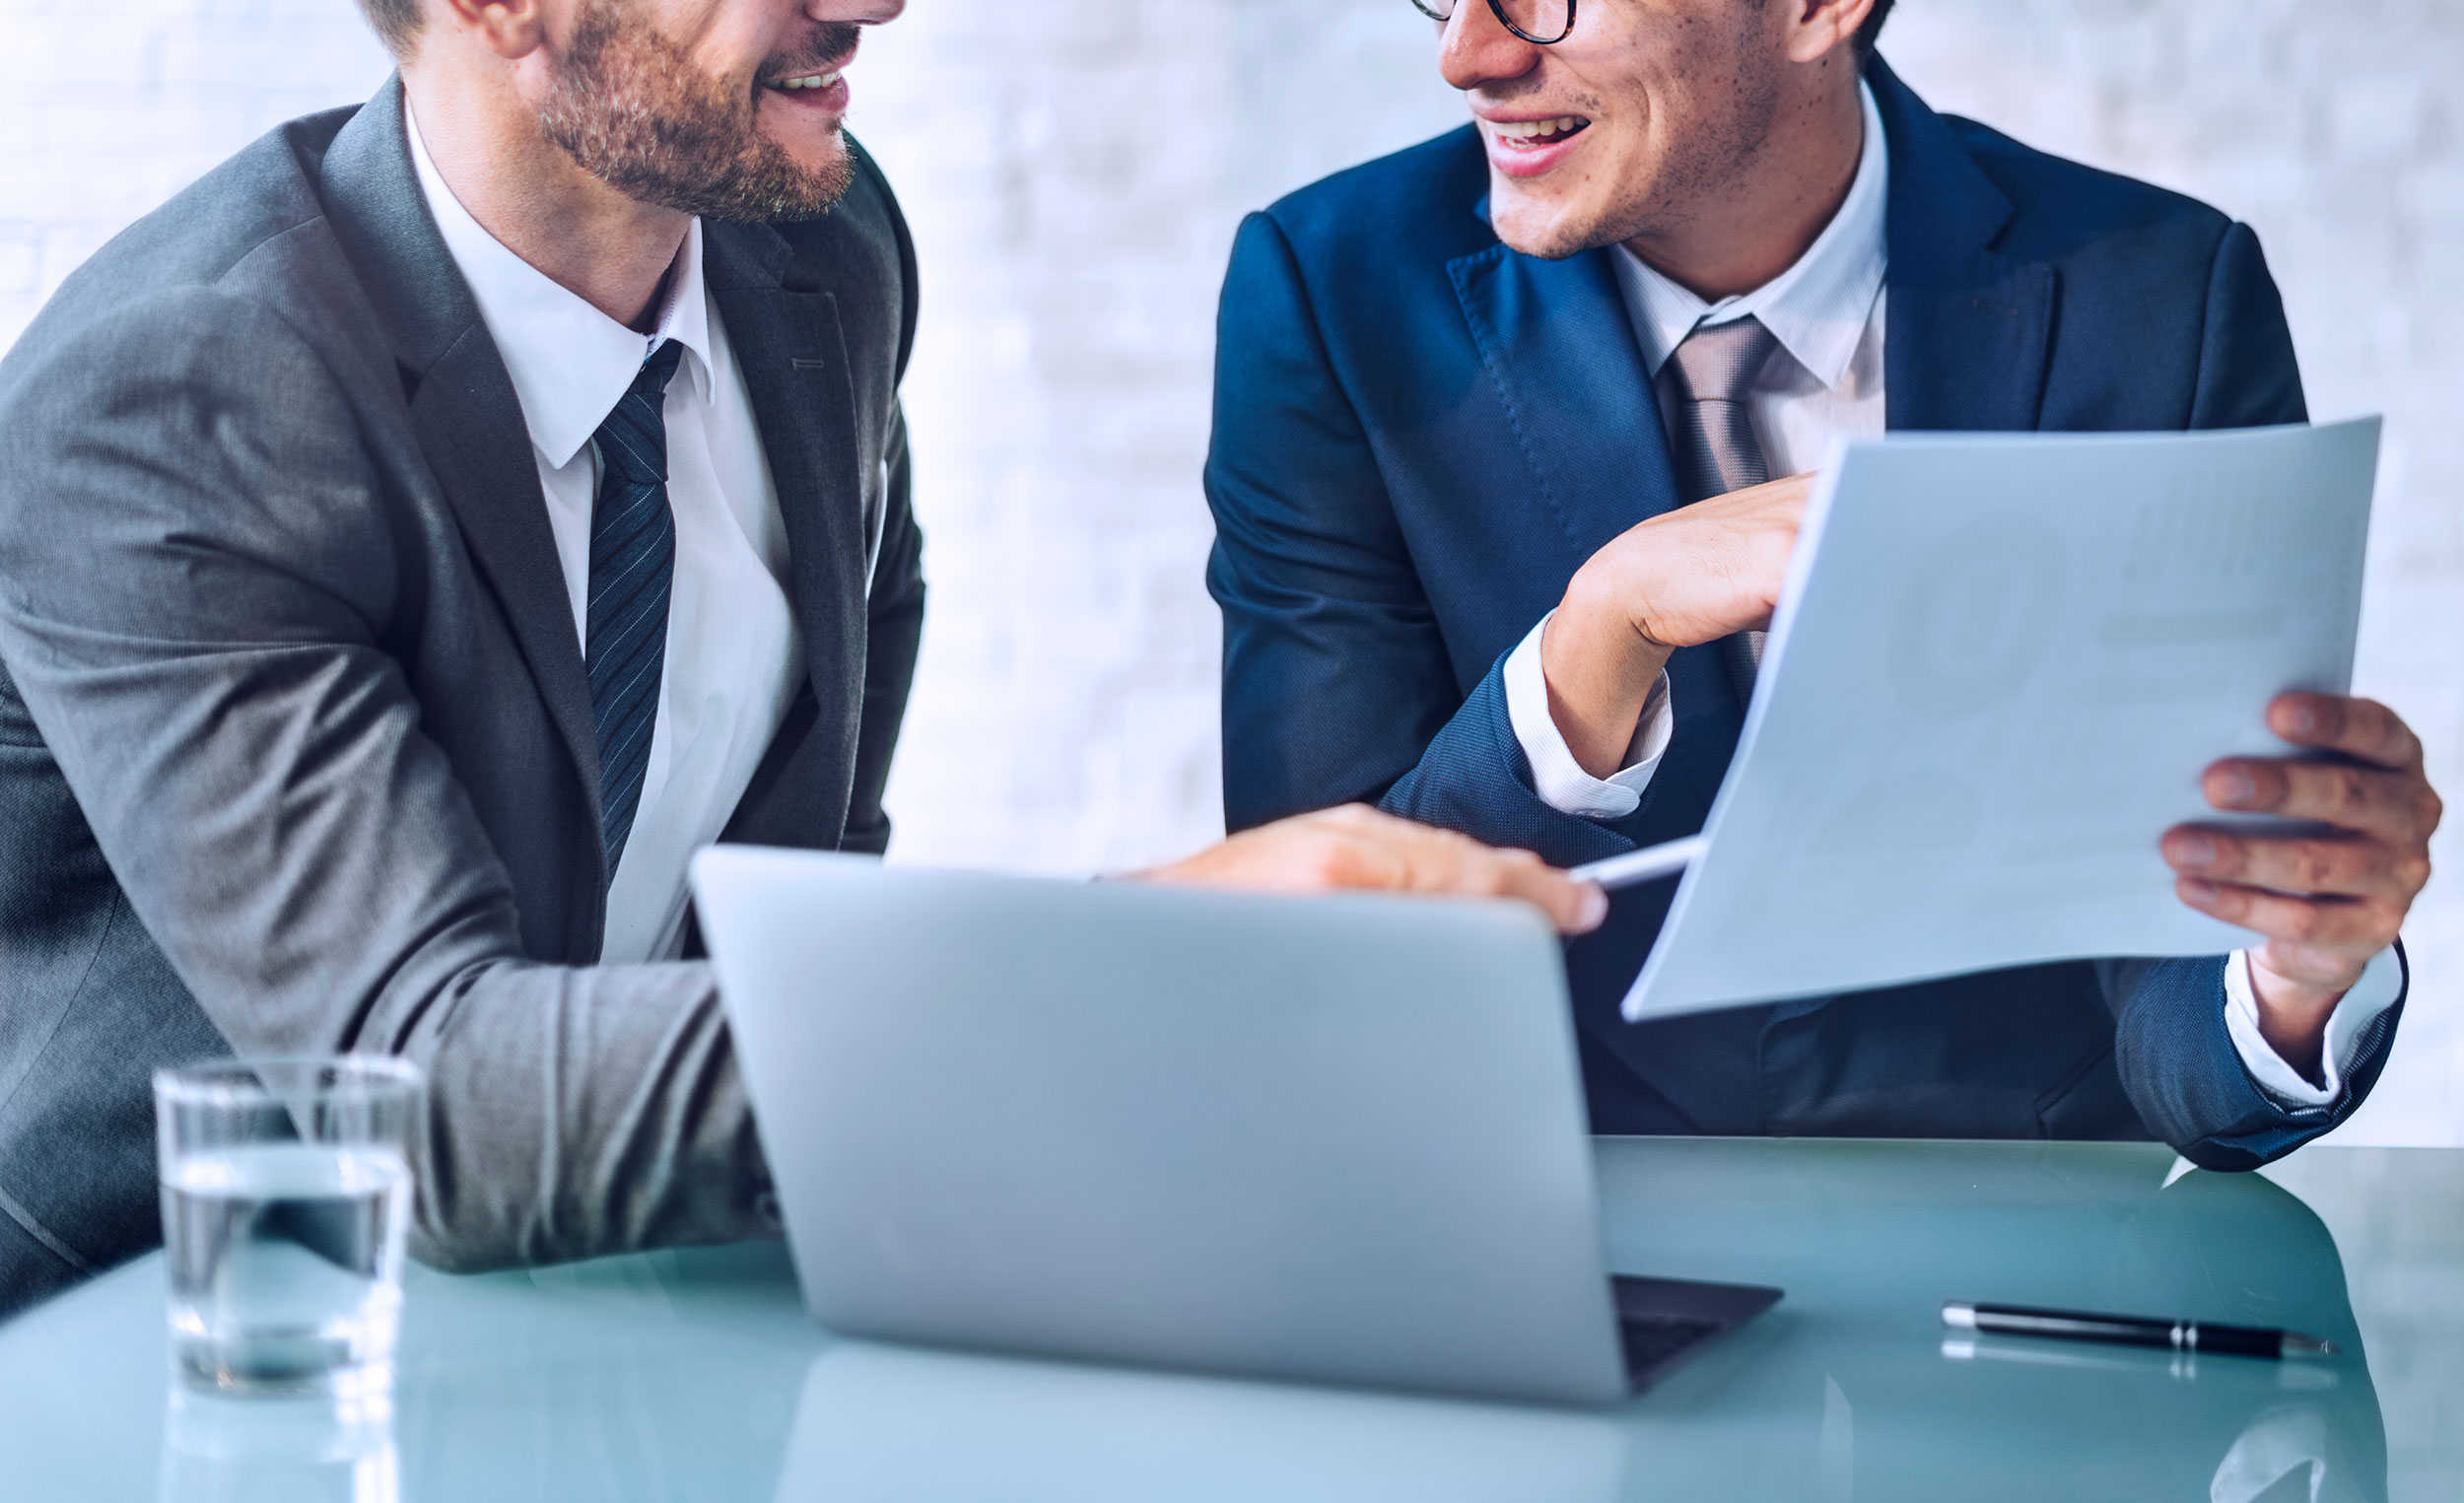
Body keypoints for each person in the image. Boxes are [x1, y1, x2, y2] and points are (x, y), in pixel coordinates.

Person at [0, 0, 1604, 1319]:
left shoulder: (818, 251)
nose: (879, 4)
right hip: (178, 1347)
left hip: (624, 1296)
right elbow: (433, 1105)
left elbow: (799, 878)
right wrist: (1125, 972)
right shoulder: (187, 390)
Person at [1205, 0, 2439, 1152]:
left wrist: (2291, 975)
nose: (1468, 52)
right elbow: (1311, 955)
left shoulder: (2165, 296)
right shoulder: (1327, 296)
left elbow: (2174, 928)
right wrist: (1598, 636)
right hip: (1539, 1225)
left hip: (2032, 1255)